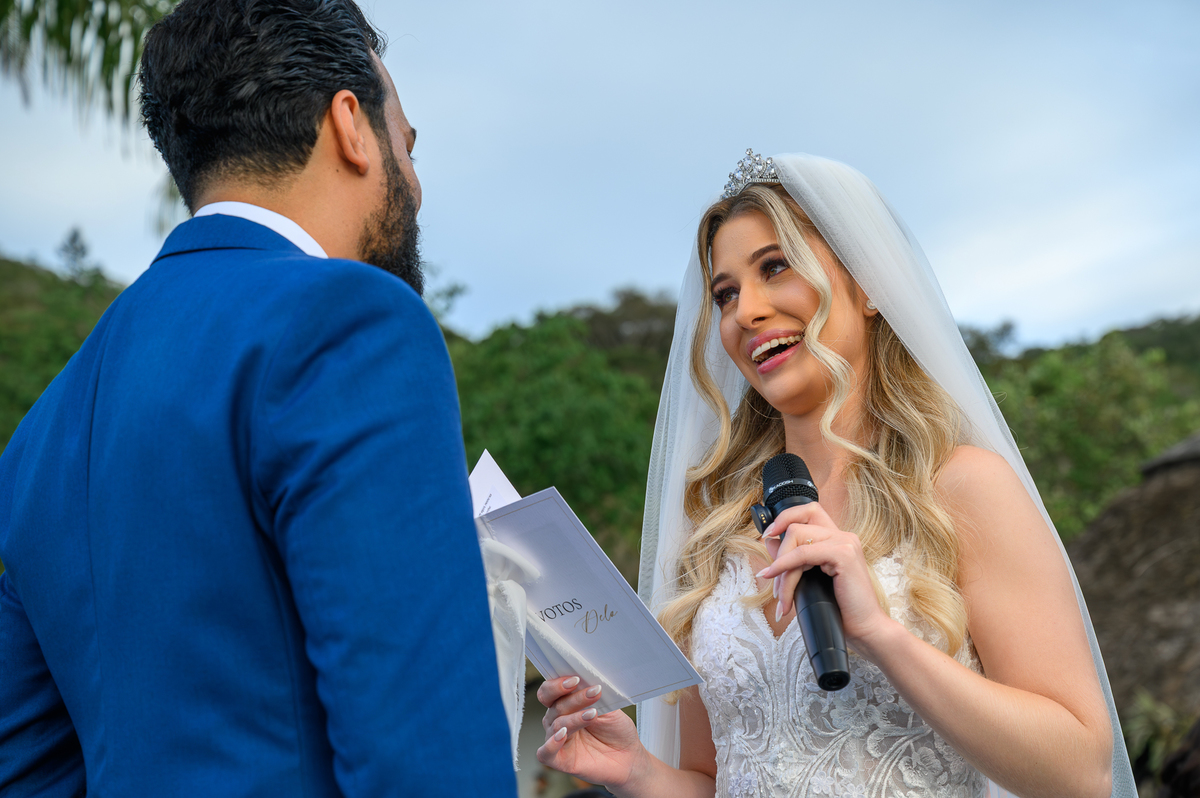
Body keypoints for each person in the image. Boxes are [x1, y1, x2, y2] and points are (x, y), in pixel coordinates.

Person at [0, 1, 516, 795]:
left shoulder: (42, 432)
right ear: (351, 125)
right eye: (405, 144)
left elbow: (26, 769)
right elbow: (430, 765)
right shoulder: (353, 326)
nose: (414, 183)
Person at [535, 152, 1138, 798]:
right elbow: (718, 783)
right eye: (726, 294)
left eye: (776, 268)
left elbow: (1081, 772)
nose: (747, 312)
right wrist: (638, 772)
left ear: (872, 284)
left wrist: (880, 636)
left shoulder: (963, 489)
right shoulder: (717, 533)